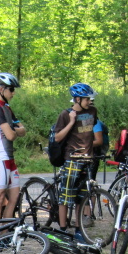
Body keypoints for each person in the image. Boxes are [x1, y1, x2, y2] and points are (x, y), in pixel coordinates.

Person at [52, 83, 103, 239]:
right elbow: (57, 137)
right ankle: (62, 229)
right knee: (66, 197)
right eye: (87, 99)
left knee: (81, 198)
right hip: (72, 160)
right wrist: (71, 122)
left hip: (88, 160)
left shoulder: (92, 111)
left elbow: (92, 132)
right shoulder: (65, 114)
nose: (89, 102)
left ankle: (79, 230)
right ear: (78, 99)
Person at [0, 72, 27, 227]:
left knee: (14, 198)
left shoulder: (7, 107)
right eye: (11, 89)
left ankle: (4, 233)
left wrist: (14, 130)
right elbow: (11, 135)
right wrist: (15, 131)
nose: (13, 92)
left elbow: (23, 130)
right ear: (2, 89)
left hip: (10, 158)